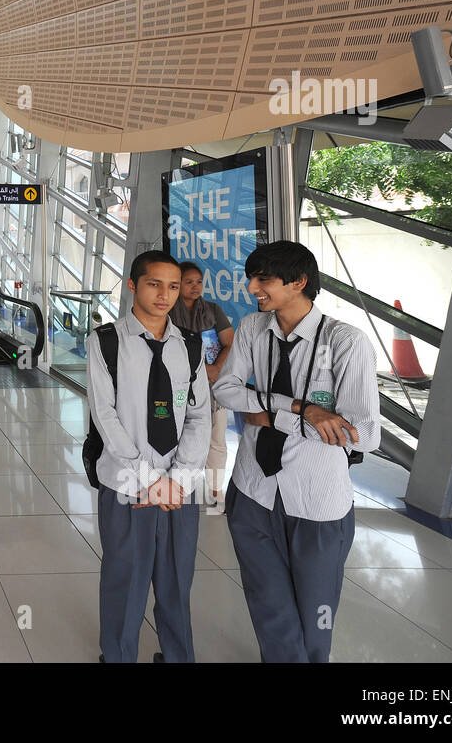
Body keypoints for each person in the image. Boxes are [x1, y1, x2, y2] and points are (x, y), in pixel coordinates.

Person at [212, 241, 380, 663]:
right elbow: (227, 389)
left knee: (316, 606)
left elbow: (362, 434)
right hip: (253, 488)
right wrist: (300, 409)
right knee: (267, 598)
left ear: (299, 281)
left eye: (263, 279)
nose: (252, 288)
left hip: (317, 498)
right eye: (252, 278)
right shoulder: (253, 328)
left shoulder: (346, 341)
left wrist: (267, 415)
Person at [87, 250, 209, 663]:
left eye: (173, 286)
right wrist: (149, 477)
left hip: (180, 487)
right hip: (126, 482)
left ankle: (177, 656)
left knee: (177, 581)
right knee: (125, 577)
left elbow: (199, 415)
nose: (165, 295)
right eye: (154, 284)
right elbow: (105, 415)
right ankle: (118, 656)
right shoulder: (105, 341)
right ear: (133, 285)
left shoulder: (190, 347)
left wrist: (179, 478)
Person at [169, 262, 234, 502]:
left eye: (199, 281)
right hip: (179, 383)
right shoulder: (167, 311)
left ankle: (216, 491)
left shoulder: (212, 310)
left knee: (216, 439)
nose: (195, 286)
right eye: (189, 282)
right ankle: (179, 486)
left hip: (212, 385)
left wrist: (216, 368)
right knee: (178, 436)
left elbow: (229, 343)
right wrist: (199, 367)